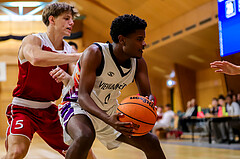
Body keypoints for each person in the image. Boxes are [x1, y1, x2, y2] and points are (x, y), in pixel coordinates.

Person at [53, 14, 166, 159]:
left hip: (110, 110)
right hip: (77, 105)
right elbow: (83, 96)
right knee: (85, 136)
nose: (144, 44)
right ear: (122, 40)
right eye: (139, 39)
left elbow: (146, 95)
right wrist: (109, 119)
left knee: (151, 141)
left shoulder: (139, 62)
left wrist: (149, 104)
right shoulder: (95, 53)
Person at [2, 2, 96, 159]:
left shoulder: (68, 50)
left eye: (72, 19)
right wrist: (80, 56)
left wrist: (67, 78)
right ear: (52, 19)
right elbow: (36, 58)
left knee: (85, 153)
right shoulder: (33, 40)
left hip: (50, 110)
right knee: (16, 152)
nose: (71, 22)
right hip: (23, 108)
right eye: (66, 18)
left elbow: (76, 85)